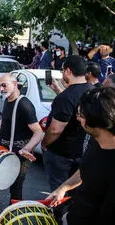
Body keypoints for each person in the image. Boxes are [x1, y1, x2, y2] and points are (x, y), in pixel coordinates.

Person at [46, 87, 115, 225]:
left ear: (97, 120)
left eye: (80, 115)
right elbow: (86, 169)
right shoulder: (97, 142)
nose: (77, 118)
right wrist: (63, 188)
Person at [0, 73, 44, 215]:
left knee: (16, 184)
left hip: (20, 151)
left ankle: (14, 213)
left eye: (4, 85)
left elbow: (39, 132)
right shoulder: (8, 100)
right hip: (3, 147)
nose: (1, 89)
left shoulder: (25, 105)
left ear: (15, 84)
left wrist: (26, 149)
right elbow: (5, 121)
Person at [41, 56, 94, 191]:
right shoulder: (93, 91)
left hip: (61, 155)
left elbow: (55, 130)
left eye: (62, 70)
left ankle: (58, 212)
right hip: (81, 152)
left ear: (68, 71)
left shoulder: (66, 97)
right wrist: (58, 90)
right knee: (74, 191)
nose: (62, 74)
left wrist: (44, 143)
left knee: (59, 192)